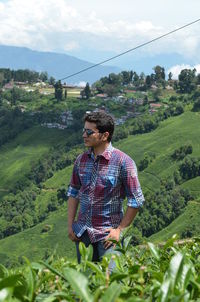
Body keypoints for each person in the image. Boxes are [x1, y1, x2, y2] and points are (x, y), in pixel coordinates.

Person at [67, 111, 144, 264]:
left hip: (108, 237)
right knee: (85, 283)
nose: (84, 135)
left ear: (104, 135)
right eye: (84, 130)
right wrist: (70, 225)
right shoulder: (81, 160)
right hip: (82, 235)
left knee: (112, 281)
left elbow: (136, 201)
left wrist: (120, 230)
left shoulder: (123, 162)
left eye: (89, 132)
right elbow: (73, 193)